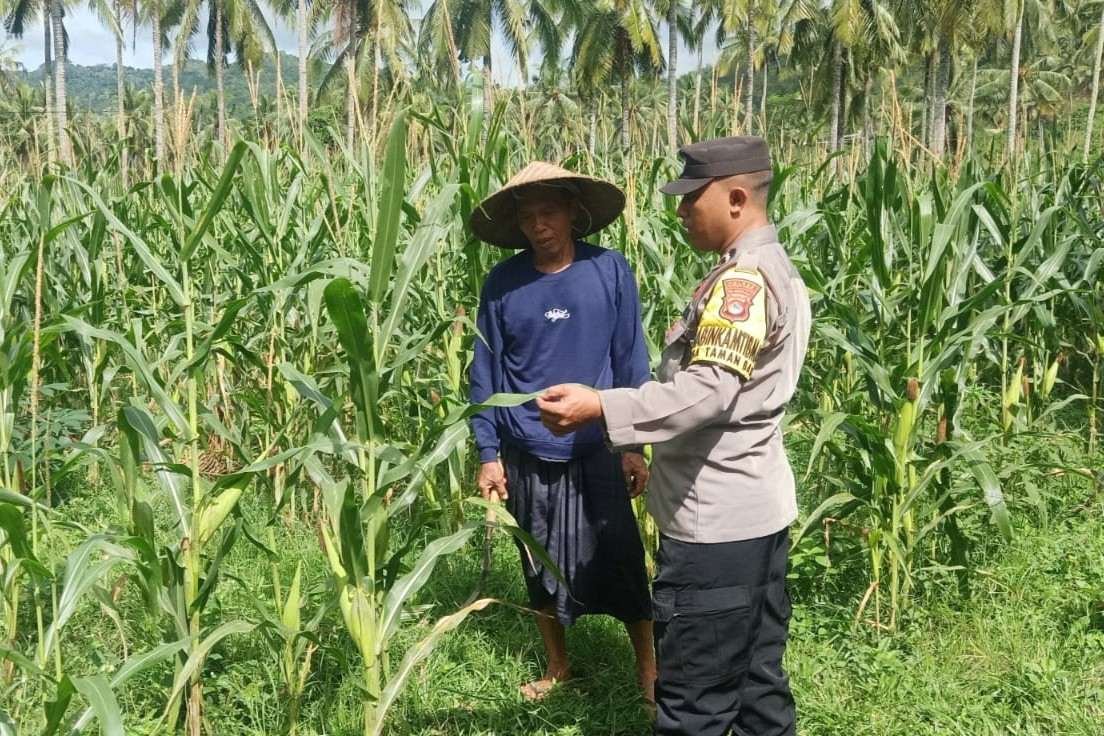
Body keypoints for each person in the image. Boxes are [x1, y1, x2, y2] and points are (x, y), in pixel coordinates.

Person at [536, 136, 811, 736]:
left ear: (737, 197)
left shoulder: (743, 283)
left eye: (692, 200)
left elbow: (705, 392)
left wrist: (600, 407)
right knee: (758, 685)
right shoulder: (772, 268)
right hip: (757, 516)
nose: (681, 213)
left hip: (714, 526)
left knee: (693, 702)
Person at [468, 161, 657, 703]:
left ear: (574, 214)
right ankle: (558, 666)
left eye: (547, 213)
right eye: (527, 218)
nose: (537, 225)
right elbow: (485, 373)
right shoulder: (503, 283)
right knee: (536, 564)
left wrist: (633, 445)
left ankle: (649, 670)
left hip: (596, 441)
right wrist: (488, 451)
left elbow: (630, 358)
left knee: (620, 556)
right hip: (527, 444)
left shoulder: (610, 270)